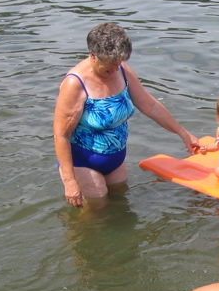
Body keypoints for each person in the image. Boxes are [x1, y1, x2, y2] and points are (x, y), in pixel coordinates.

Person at [53, 22, 200, 208]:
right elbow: (61, 135)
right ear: (93, 55)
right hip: (83, 161)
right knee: (96, 212)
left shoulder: (122, 70)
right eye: (110, 65)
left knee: (120, 204)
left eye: (119, 63)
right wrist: (70, 182)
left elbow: (150, 106)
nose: (115, 69)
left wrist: (184, 134)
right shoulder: (75, 84)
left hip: (115, 159)